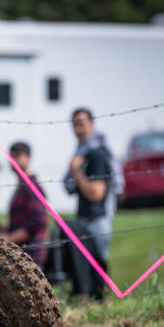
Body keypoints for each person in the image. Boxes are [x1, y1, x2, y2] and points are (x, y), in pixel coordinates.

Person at [63, 107, 114, 300]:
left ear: (92, 124)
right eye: (74, 125)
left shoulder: (97, 155)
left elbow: (95, 193)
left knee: (97, 271)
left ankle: (102, 306)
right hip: (84, 220)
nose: (77, 129)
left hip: (97, 220)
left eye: (81, 124)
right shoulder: (82, 154)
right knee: (86, 271)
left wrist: (76, 171)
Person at [0, 141, 48, 265]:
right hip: (22, 255)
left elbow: (36, 223)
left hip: (31, 255)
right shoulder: (21, 187)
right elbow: (23, 223)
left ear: (29, 158)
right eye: (11, 156)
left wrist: (7, 240)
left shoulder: (32, 187)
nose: (13, 160)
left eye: (18, 156)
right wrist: (5, 229)